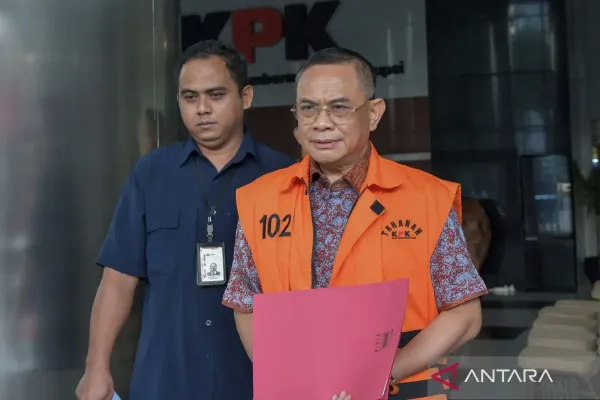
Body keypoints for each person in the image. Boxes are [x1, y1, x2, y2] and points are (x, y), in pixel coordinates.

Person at [222, 47, 488, 400]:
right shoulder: (260, 200)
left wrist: (379, 374)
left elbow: (464, 315)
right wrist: (288, 379)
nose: (321, 122)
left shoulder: (426, 198)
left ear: (373, 113)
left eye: (339, 107)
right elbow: (245, 304)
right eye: (308, 108)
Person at [75, 39, 294, 400]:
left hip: (256, 381)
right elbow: (117, 280)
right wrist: (96, 366)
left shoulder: (283, 177)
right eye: (190, 97)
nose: (202, 109)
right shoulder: (151, 173)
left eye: (216, 95)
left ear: (246, 96)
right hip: (165, 379)